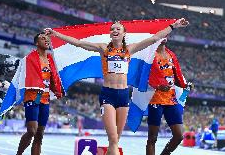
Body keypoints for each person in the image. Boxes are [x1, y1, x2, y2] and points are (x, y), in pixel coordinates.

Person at [46, 18, 189, 155]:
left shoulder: (130, 49)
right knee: (113, 140)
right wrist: (56, 34)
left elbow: (154, 38)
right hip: (108, 95)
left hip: (123, 95)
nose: (114, 30)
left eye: (118, 29)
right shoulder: (103, 48)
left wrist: (173, 26)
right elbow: (78, 43)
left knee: (115, 141)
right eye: (112, 29)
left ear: (124, 33)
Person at [16, 32, 64, 155]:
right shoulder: (29, 58)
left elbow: (54, 79)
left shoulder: (51, 60)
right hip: (32, 96)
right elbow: (21, 74)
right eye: (43, 38)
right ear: (37, 43)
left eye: (48, 38)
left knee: (39, 135)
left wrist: (58, 90)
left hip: (45, 99)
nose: (46, 40)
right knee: (32, 130)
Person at [146, 38, 191, 155]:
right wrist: (157, 86)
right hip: (155, 99)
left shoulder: (171, 55)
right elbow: (143, 77)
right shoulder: (150, 55)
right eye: (161, 33)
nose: (164, 36)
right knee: (152, 138)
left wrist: (185, 85)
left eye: (166, 33)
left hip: (171, 99)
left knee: (179, 136)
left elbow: (177, 77)